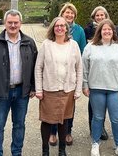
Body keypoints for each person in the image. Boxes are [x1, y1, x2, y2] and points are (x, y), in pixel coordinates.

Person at [0, 9, 38, 156]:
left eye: (16, 22)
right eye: (10, 22)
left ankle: (16, 152)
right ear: (5, 23)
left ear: (21, 23)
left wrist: (33, 86)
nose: (13, 25)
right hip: (0, 93)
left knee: (19, 125)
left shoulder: (29, 42)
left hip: (21, 92)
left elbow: (35, 67)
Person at [34, 17, 83, 156]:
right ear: (53, 28)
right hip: (49, 90)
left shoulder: (73, 45)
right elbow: (38, 68)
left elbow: (79, 68)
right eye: (57, 26)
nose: (60, 28)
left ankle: (62, 150)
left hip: (68, 89)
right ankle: (45, 150)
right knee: (47, 121)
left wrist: (78, 89)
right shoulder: (46, 44)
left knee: (64, 120)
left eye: (63, 26)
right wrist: (38, 89)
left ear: (67, 29)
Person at [82, 19, 118, 156]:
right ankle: (95, 144)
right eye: (104, 29)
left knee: (116, 119)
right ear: (100, 31)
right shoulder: (90, 47)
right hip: (96, 89)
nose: (107, 31)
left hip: (114, 89)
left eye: (109, 29)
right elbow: (85, 68)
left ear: (113, 31)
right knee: (97, 117)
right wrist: (85, 85)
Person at [48, 2, 86, 146]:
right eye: (67, 13)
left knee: (69, 106)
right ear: (62, 14)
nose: (69, 15)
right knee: (54, 106)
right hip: (55, 74)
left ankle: (68, 131)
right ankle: (53, 133)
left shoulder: (79, 31)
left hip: (71, 75)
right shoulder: (55, 27)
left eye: (72, 13)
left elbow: (82, 52)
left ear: (74, 16)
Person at [84, 6, 110, 140]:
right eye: (97, 15)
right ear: (94, 17)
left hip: (106, 71)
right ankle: (93, 126)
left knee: (104, 101)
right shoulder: (87, 30)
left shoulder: (109, 29)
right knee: (93, 101)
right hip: (93, 70)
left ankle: (102, 126)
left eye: (102, 15)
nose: (100, 18)